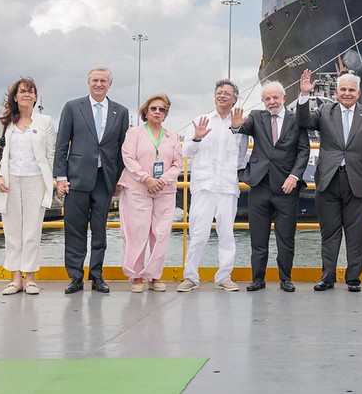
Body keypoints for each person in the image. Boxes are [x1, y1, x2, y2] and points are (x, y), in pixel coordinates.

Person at [297, 69, 362, 292]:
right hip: (328, 180)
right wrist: (304, 95)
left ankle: (353, 278)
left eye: (351, 90)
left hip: (358, 181)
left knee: (356, 233)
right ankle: (327, 277)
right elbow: (304, 120)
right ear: (336, 92)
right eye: (343, 89)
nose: (347, 94)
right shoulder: (325, 111)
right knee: (329, 232)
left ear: (358, 92)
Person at [54, 67, 129, 294]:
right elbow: (61, 144)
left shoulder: (121, 111)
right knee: (74, 230)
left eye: (103, 81)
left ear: (109, 84)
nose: (99, 84)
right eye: (95, 80)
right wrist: (60, 176)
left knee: (100, 231)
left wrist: (119, 178)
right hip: (76, 179)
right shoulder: (72, 107)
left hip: (104, 180)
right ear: (88, 83)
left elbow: (122, 150)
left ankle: (96, 276)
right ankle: (75, 277)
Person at [231, 81, 310, 292]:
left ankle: (286, 278)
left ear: (284, 98)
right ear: (263, 101)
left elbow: (304, 151)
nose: (272, 101)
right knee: (258, 237)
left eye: (275, 97)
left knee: (286, 237)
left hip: (286, 187)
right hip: (260, 185)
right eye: (267, 98)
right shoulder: (257, 117)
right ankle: (258, 279)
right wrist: (236, 125)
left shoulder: (296, 120)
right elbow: (240, 128)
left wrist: (295, 176)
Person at [177, 80, 249, 293]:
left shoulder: (240, 125)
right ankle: (190, 276)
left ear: (235, 99)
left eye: (227, 93)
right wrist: (197, 139)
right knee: (198, 233)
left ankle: (224, 277)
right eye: (219, 92)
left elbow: (241, 157)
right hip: (204, 186)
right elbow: (186, 153)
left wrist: (237, 128)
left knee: (227, 233)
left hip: (227, 186)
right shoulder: (203, 121)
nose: (222, 96)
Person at [0, 78, 56, 295]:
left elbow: (51, 154)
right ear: (15, 97)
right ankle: (16, 278)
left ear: (35, 97)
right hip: (9, 182)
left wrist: (51, 180)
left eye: (31, 92)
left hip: (36, 180)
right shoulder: (5, 122)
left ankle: (31, 278)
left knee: (32, 232)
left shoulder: (45, 121)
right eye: (22, 91)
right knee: (13, 231)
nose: (27, 95)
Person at [117, 94, 182, 293]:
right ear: (146, 111)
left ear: (166, 113)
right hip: (138, 188)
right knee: (137, 232)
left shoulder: (172, 137)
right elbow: (128, 157)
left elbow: (177, 164)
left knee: (160, 233)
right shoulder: (134, 133)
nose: (157, 112)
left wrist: (161, 180)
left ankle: (154, 275)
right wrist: (146, 178)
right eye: (153, 108)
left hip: (164, 190)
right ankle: (136, 275)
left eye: (162, 109)